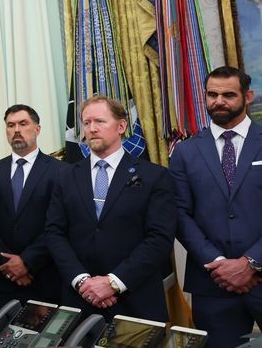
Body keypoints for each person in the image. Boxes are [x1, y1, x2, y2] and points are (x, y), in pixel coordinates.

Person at [46, 95, 176, 321]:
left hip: (135, 300)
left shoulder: (154, 176)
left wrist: (114, 283)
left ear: (122, 126)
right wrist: (82, 281)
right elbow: (54, 232)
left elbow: (159, 238)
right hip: (80, 300)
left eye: (99, 121)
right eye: (86, 123)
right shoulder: (65, 176)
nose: (92, 129)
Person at [170, 66, 262, 347]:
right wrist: (220, 264)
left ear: (247, 96)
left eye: (228, 94)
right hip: (213, 284)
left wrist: (251, 263)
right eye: (212, 94)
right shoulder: (185, 151)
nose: (218, 101)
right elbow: (179, 214)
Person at [0, 104, 62, 330]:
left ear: (37, 128)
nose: (16, 130)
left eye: (23, 124)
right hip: (0, 281)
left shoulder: (61, 171)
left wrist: (27, 262)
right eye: (11, 125)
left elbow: (60, 223)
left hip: (43, 278)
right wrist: (8, 264)